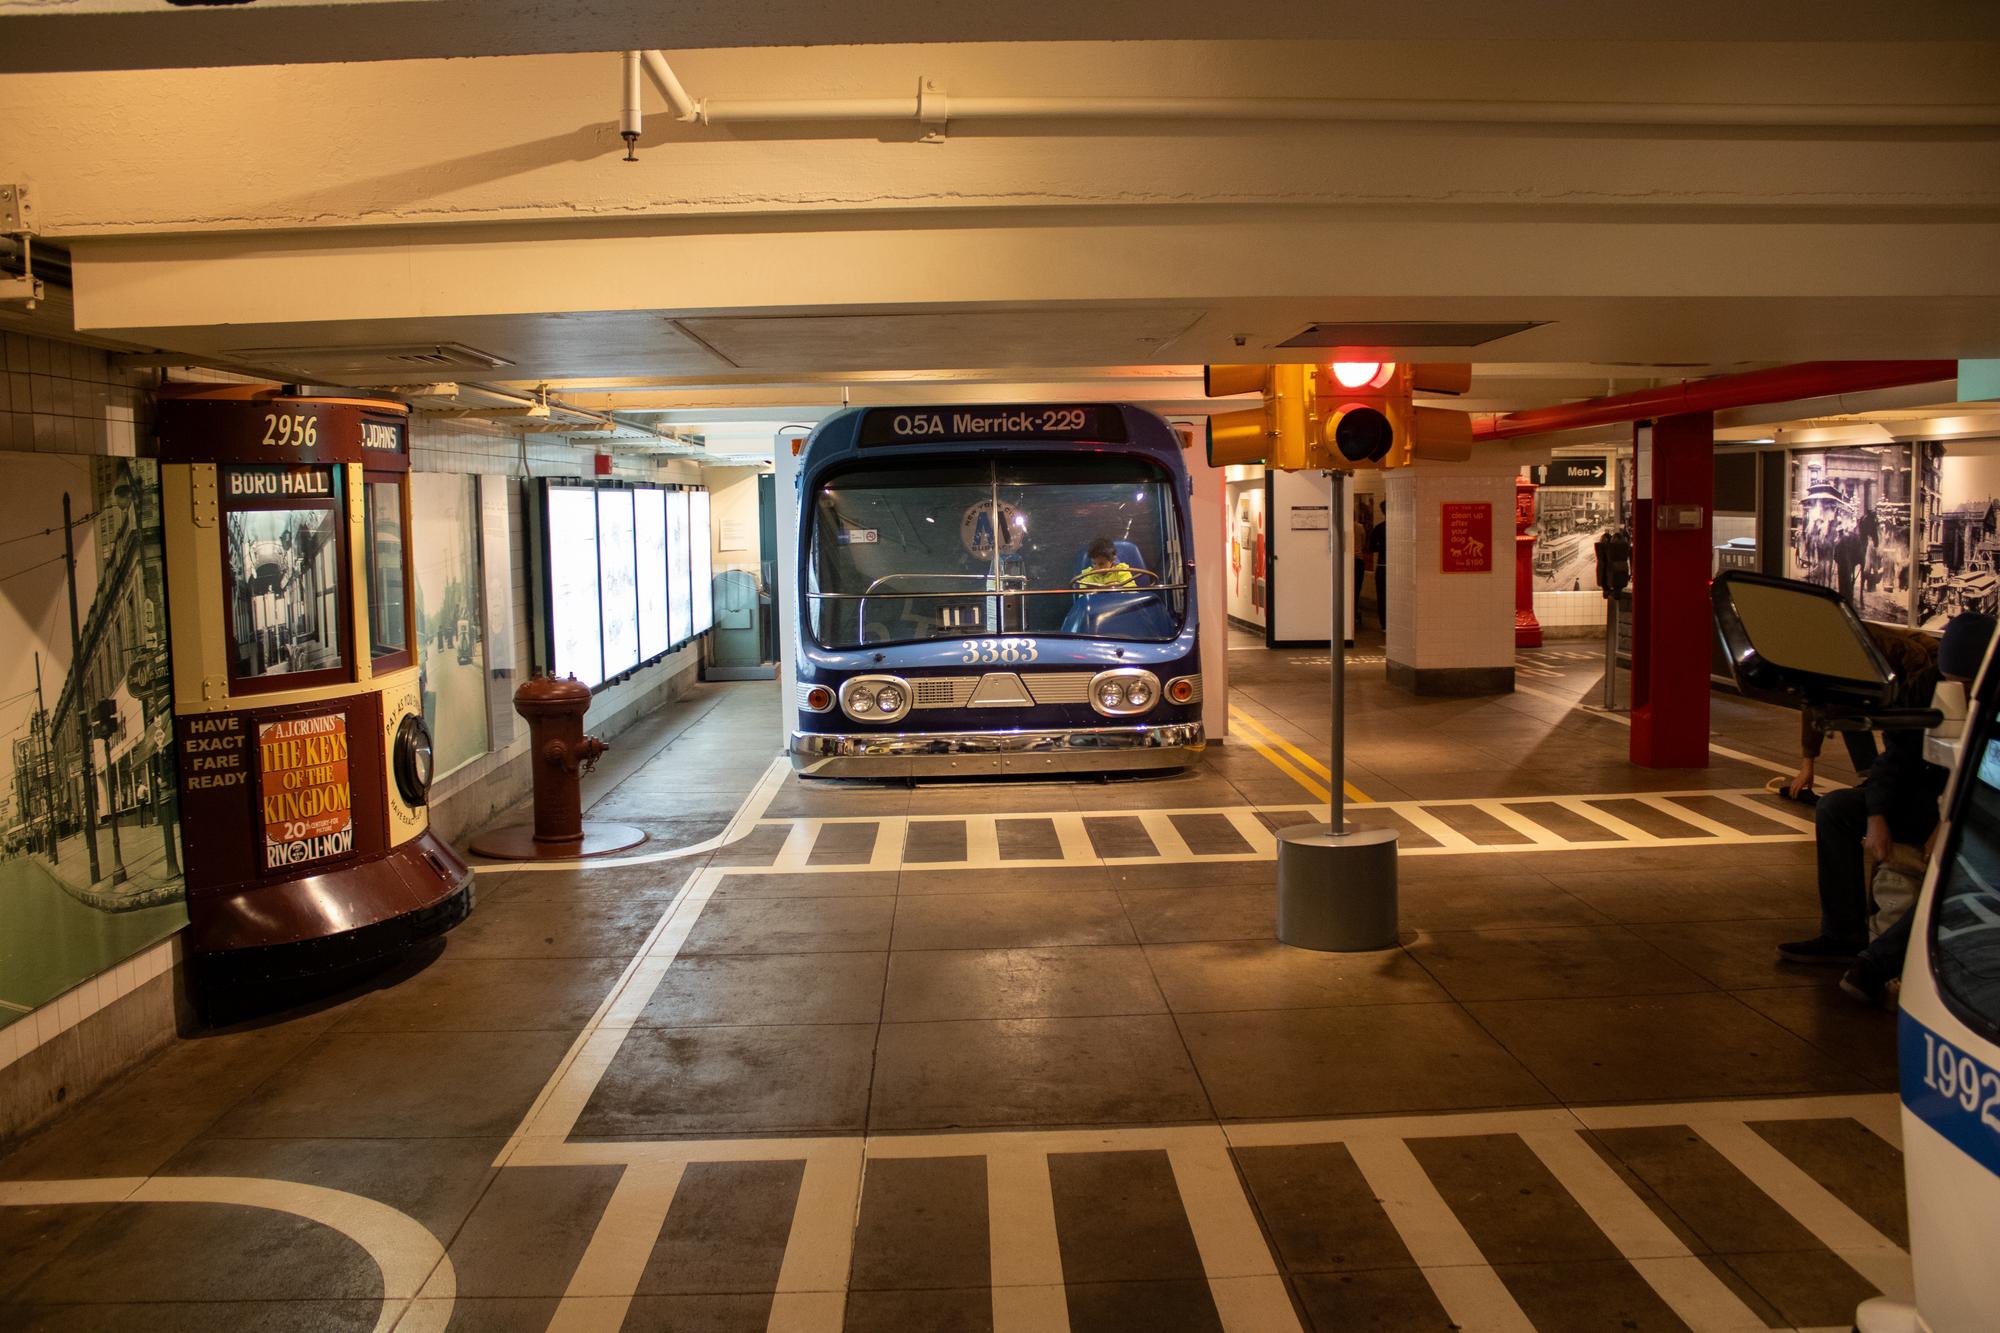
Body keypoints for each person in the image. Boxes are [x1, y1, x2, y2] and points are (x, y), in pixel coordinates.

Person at [1780, 612, 1996, 997]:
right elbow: (1894, 757)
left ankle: (1882, 960)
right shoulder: (1926, 685)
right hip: (1923, 795)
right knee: (1837, 810)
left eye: (1964, 683)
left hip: (1970, 807)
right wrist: (1877, 814)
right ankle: (1843, 933)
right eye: (1950, 680)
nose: (1955, 689)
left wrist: (1946, 824)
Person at [1365, 516, 1388, 629]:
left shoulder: (1379, 528)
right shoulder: (1403, 527)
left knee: (1382, 596)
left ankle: (1384, 624)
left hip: (1383, 566)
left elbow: (1370, 547)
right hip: (1398, 568)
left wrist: (1382, 547)